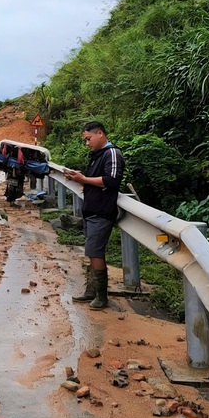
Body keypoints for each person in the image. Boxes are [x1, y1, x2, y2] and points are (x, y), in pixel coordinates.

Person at [63, 121, 125, 310]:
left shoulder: (112, 153)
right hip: (91, 209)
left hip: (102, 211)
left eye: (89, 139)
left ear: (100, 134)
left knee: (95, 252)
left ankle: (101, 296)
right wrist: (80, 178)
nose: (87, 143)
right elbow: (93, 180)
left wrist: (83, 179)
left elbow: (112, 180)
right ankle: (91, 291)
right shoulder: (97, 154)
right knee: (91, 252)